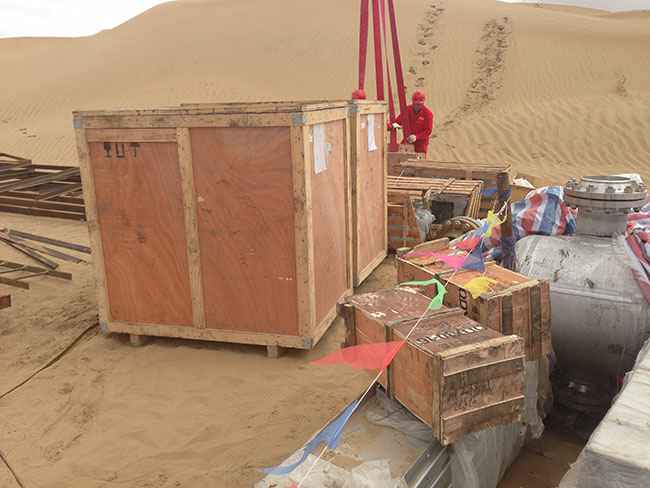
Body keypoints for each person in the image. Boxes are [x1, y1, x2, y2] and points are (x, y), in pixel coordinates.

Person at [393, 91, 434, 155]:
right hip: (408, 140)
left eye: (420, 104)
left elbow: (428, 131)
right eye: (415, 104)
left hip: (421, 143)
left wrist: (416, 137)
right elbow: (397, 122)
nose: (417, 106)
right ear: (412, 102)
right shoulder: (407, 110)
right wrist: (389, 125)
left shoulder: (428, 114)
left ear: (423, 103)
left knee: (419, 159)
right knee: (400, 156)